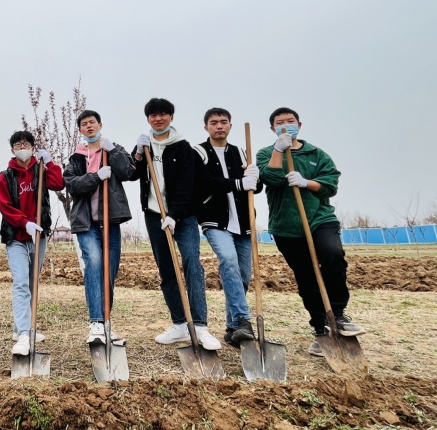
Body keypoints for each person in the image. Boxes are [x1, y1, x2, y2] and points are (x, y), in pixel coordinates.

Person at [256, 107, 365, 357]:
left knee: (332, 254)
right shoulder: (265, 153)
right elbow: (271, 179)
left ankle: (337, 314)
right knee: (306, 276)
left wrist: (307, 183)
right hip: (286, 225)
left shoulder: (316, 154)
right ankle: (320, 328)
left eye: (290, 121)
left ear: (299, 125)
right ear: (272, 128)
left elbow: (330, 184)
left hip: (319, 217)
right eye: (280, 122)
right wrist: (278, 151)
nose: (285, 125)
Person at [131, 98, 221, 350]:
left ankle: (200, 326)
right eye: (153, 115)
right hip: (153, 215)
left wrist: (174, 215)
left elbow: (185, 186)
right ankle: (180, 324)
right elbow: (131, 173)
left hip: (184, 216)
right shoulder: (145, 145)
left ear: (171, 117)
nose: (158, 119)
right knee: (167, 269)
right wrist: (137, 154)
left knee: (192, 262)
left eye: (163, 114)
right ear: (148, 119)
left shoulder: (183, 148)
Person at [192, 108, 262, 347]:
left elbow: (253, 187)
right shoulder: (199, 152)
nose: (219, 126)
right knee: (228, 261)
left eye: (223, 122)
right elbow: (204, 183)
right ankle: (243, 320)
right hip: (215, 220)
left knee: (242, 275)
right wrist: (240, 183)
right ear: (206, 127)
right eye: (214, 122)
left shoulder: (240, 152)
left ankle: (233, 328)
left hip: (243, 222)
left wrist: (256, 177)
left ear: (230, 125)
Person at [64, 110, 135, 345]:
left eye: (92, 122)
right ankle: (96, 323)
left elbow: (128, 172)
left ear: (100, 125)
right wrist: (96, 177)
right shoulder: (76, 158)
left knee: (109, 271)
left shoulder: (113, 149)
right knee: (94, 262)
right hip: (86, 223)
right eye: (84, 124)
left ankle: (106, 323)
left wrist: (112, 150)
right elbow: (72, 185)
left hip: (110, 221)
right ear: (80, 130)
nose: (89, 126)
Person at [0, 130, 64, 356]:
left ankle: (24, 327)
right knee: (21, 283)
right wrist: (24, 223)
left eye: (26, 143)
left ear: (32, 148)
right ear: (12, 149)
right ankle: (24, 334)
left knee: (33, 282)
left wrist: (50, 163)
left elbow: (58, 184)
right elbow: (5, 206)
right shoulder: (5, 176)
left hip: (38, 237)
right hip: (16, 237)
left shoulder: (41, 170)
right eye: (18, 144)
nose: (22, 147)